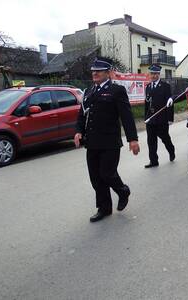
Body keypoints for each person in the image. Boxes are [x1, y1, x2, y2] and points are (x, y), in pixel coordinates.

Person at [74, 57, 140, 222]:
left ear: (109, 73)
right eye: (93, 71)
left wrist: (133, 139)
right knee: (95, 178)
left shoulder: (117, 90)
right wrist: (78, 131)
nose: (95, 73)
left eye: (99, 71)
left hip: (110, 142)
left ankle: (123, 191)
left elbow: (126, 116)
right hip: (92, 142)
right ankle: (104, 208)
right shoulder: (89, 91)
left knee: (107, 174)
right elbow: (82, 115)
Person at [144, 64, 175, 168]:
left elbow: (170, 102)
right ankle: (153, 161)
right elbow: (147, 104)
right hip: (151, 119)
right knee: (151, 141)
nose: (153, 76)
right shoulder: (148, 87)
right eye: (151, 73)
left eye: (155, 74)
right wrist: (145, 118)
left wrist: (170, 118)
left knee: (165, 138)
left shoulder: (165, 86)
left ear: (159, 74)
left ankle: (171, 150)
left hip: (162, 118)